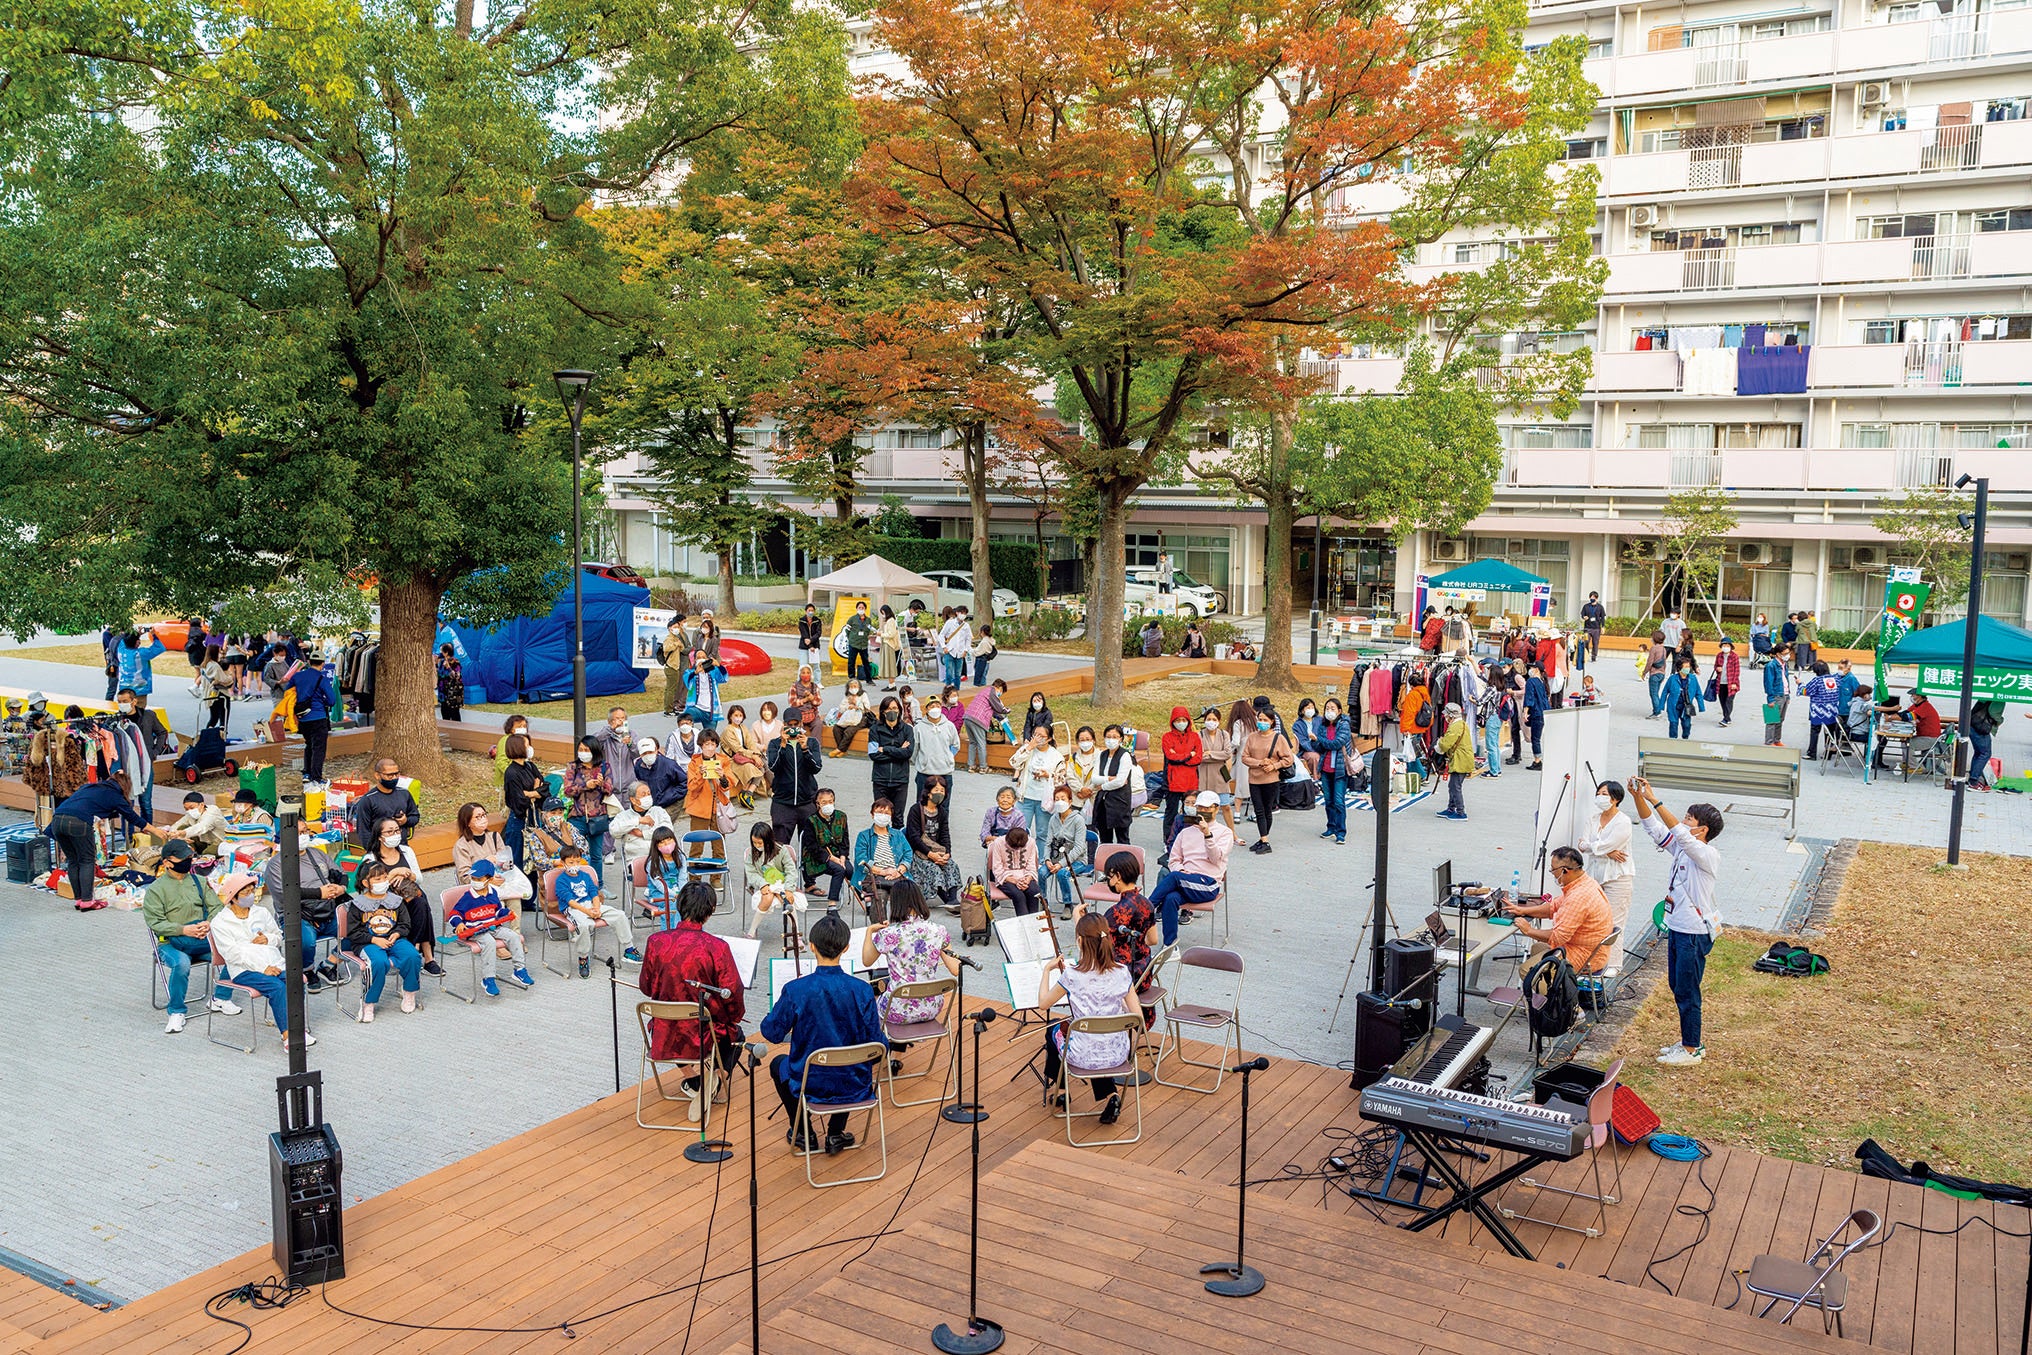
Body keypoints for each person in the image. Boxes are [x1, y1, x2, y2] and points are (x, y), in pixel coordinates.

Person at [761, 912, 884, 1154]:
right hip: (854, 1083)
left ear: (811, 946)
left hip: (810, 1083)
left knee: (779, 1064)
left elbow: (771, 1032)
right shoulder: (862, 990)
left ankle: (803, 1133)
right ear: (846, 947)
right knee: (847, 1054)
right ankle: (836, 1133)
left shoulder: (797, 989)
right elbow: (878, 1048)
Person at [1626, 775, 1722, 1067]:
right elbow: (1654, 828)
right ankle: (1687, 1041)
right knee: (1677, 985)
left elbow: (1677, 833)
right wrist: (1637, 797)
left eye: (1689, 820)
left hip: (1694, 932)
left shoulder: (1705, 853)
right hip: (1678, 928)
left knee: (1688, 991)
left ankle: (1692, 1048)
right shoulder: (1683, 846)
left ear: (1702, 829)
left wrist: (1655, 798)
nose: (1683, 823)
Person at [640, 881, 747, 1121]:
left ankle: (692, 1077)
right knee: (735, 1033)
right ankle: (716, 1081)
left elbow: (646, 988)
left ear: (679, 905)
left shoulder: (656, 941)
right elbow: (732, 993)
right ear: (710, 911)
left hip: (664, 1033)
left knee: (671, 1023)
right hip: (701, 1033)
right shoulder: (716, 947)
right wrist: (733, 1015)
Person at [1037, 912, 1142, 1126]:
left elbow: (1043, 1004)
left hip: (1082, 1056)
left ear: (1079, 941)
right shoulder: (1122, 972)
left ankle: (1062, 1091)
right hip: (1118, 1053)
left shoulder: (1072, 976)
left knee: (1053, 1030)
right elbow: (1138, 1017)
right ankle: (1112, 1096)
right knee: (1095, 1037)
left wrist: (1047, 971)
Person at [143, 841, 240, 1034]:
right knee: (182, 964)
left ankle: (221, 998)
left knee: (234, 953)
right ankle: (177, 1011)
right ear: (167, 862)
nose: (188, 861)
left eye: (189, 857)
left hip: (202, 938)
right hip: (170, 942)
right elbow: (155, 922)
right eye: (183, 859)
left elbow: (217, 909)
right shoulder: (156, 889)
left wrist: (209, 924)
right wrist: (183, 930)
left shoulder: (199, 881)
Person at [210, 872, 315, 1049]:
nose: (250, 895)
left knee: (295, 981)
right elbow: (233, 954)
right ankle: (288, 1035)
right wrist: (262, 967)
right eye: (245, 893)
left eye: (252, 890)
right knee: (277, 987)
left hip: (274, 963)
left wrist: (267, 938)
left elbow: (278, 936)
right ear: (233, 898)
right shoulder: (220, 922)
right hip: (244, 970)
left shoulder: (261, 912)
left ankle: (298, 1028)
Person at [863, 880, 960, 1024]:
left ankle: (890, 1043)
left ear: (895, 903)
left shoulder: (888, 934)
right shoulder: (939, 930)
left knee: (872, 1005)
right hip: (931, 1007)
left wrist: (870, 930)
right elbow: (955, 969)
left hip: (898, 1008)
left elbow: (867, 961)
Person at [1506, 847, 1614, 973]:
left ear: (1565, 871)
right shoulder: (1585, 882)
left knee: (1525, 971)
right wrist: (1523, 911)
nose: (1552, 872)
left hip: (1585, 957)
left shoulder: (1578, 897)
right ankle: (1551, 989)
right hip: (1591, 950)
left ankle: (1559, 990)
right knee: (1537, 948)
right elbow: (1553, 907)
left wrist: (1529, 930)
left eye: (1553, 869)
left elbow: (1558, 938)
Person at [47, 773, 148, 906]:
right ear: (124, 786)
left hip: (57, 820)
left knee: (73, 860)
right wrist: (155, 830)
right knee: (86, 860)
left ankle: (79, 899)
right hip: (78, 822)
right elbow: (132, 817)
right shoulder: (114, 794)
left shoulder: (90, 787)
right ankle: (88, 901)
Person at [360, 813, 442, 976]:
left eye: (397, 830)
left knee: (421, 903)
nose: (395, 835)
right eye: (389, 832)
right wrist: (392, 875)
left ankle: (423, 955)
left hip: (410, 895)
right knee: (420, 905)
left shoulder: (406, 851)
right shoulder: (371, 858)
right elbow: (368, 888)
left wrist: (408, 874)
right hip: (385, 903)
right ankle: (420, 954)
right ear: (379, 836)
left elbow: (419, 878)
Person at [552, 834, 641, 977]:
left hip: (590, 905)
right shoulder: (561, 880)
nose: (575, 865)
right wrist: (588, 912)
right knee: (583, 926)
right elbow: (570, 901)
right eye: (571, 862)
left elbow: (594, 892)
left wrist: (597, 908)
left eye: (577, 861)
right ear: (563, 863)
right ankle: (583, 958)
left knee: (619, 915)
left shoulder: (585, 875)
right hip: (574, 909)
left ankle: (629, 949)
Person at [1149, 791, 1232, 945]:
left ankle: (1143, 909)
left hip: (1208, 884)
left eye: (1207, 808)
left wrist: (1207, 834)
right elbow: (1173, 859)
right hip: (1184, 880)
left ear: (1216, 808)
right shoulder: (1185, 832)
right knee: (1170, 898)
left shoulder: (1225, 833)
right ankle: (1170, 945)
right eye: (1200, 807)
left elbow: (1215, 858)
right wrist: (1182, 872)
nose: (1203, 811)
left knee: (1173, 877)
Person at [347, 861, 425, 1021]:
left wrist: (397, 934)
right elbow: (353, 932)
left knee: (412, 956)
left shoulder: (396, 901)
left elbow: (405, 924)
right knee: (378, 962)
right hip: (368, 943)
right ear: (365, 883)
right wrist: (374, 939)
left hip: (394, 940)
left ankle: (409, 992)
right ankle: (368, 1002)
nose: (383, 882)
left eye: (384, 877)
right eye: (377, 879)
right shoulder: (358, 905)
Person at [446, 861, 534, 996]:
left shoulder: (493, 893)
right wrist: (458, 924)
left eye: (478, 879)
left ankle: (519, 969)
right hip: (476, 930)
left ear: (489, 879)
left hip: (493, 926)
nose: (475, 882)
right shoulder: (468, 897)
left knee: (514, 936)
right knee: (489, 942)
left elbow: (497, 911)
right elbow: (454, 913)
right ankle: (488, 978)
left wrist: (506, 913)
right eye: (473, 879)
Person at [1574, 780, 1636, 967]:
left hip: (1617, 877)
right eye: (1598, 793)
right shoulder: (1593, 819)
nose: (1600, 797)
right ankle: (1591, 960)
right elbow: (1582, 845)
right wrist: (1606, 851)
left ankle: (1613, 964)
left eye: (1604, 794)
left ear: (1615, 799)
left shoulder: (1623, 821)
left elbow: (1605, 844)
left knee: (1615, 921)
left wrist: (1596, 848)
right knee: (1591, 919)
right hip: (1594, 876)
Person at [1093, 853, 1159, 989]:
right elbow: (1153, 940)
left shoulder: (1117, 912)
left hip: (1122, 979)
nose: (1108, 881)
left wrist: (1079, 920)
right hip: (1144, 975)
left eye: (1109, 877)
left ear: (1118, 876)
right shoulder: (1148, 904)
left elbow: (1095, 947)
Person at [453, 802, 534, 906]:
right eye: (477, 817)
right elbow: (464, 876)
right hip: (478, 889)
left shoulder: (495, 837)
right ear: (467, 822)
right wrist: (487, 877)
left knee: (515, 901)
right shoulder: (461, 845)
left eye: (483, 815)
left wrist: (502, 867)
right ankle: (496, 922)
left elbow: (506, 866)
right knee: (497, 903)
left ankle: (514, 922)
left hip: (501, 884)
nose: (482, 819)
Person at [1239, 704, 1294, 854]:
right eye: (1260, 719)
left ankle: (1264, 839)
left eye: (1265, 719)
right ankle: (1264, 839)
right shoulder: (1252, 737)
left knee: (1267, 810)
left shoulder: (1278, 738)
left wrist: (1274, 766)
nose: (1261, 722)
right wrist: (1259, 763)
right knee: (1259, 810)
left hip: (1271, 780)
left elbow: (1288, 759)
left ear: (1271, 722)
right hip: (1254, 779)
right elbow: (1244, 757)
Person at [562, 737, 615, 883]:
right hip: (577, 817)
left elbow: (610, 789)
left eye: (586, 750)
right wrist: (586, 785)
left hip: (597, 818)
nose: (583, 753)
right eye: (581, 749)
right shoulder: (573, 767)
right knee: (575, 853)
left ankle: (598, 885)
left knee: (596, 855)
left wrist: (601, 784)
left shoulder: (604, 767)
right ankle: (575, 882)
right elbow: (567, 790)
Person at [1155, 704, 1204, 851]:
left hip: (1191, 782)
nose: (1181, 722)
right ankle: (1168, 841)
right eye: (1178, 720)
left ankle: (1191, 840)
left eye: (1184, 719)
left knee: (1191, 812)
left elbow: (1199, 758)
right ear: (1172, 721)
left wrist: (1180, 757)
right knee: (1171, 812)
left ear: (1188, 721)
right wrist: (1189, 754)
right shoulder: (1167, 737)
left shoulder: (1195, 737)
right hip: (1173, 783)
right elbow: (1171, 756)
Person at [767, 721, 823, 849]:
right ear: (784, 724)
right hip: (782, 803)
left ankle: (805, 869)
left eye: (795, 724)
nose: (792, 728)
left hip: (807, 802)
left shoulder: (812, 742)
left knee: (809, 846)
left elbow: (816, 768)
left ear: (801, 724)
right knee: (779, 847)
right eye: (789, 724)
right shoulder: (775, 744)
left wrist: (805, 749)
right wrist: (783, 745)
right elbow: (773, 767)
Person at [286, 656, 340, 783]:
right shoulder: (322, 679)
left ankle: (307, 774)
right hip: (318, 717)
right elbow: (332, 700)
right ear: (322, 664)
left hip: (303, 718)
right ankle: (316, 777)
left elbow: (288, 692)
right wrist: (322, 702)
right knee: (319, 748)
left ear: (309, 663)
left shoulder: (297, 676)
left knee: (308, 745)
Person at [852, 797, 914, 906]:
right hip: (873, 875)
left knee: (908, 892)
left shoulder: (898, 834)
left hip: (896, 875)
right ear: (872, 814)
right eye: (880, 812)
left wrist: (898, 871)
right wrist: (883, 872)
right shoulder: (864, 835)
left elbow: (908, 853)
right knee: (879, 895)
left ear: (891, 816)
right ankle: (880, 923)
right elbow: (861, 860)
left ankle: (903, 923)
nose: (883, 815)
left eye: (886, 813)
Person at [746, 822, 804, 937]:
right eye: (754, 843)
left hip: (782, 883)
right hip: (764, 883)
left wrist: (789, 888)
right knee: (767, 898)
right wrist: (762, 884)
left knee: (787, 898)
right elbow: (751, 873)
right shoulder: (752, 854)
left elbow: (791, 870)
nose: (757, 845)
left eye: (760, 843)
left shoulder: (781, 850)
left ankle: (795, 935)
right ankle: (751, 932)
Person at [1010, 725, 1064, 846]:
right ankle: (1020, 857)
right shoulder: (1027, 749)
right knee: (1020, 830)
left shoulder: (1056, 756)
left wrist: (1048, 775)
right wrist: (1029, 748)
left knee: (1043, 833)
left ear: (1049, 738)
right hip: (1025, 798)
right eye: (1036, 735)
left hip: (1044, 801)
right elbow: (1014, 763)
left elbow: (1061, 779)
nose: (1038, 738)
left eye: (1042, 736)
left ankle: (1041, 860)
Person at [683, 728, 733, 856]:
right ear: (701, 746)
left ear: (716, 745)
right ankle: (694, 876)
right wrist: (700, 774)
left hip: (718, 808)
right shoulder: (694, 763)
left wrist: (722, 777)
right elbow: (692, 787)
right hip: (699, 808)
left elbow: (728, 785)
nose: (710, 748)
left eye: (713, 744)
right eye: (706, 744)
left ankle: (716, 876)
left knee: (719, 847)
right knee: (696, 847)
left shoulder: (723, 760)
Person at [1310, 698, 1353, 844]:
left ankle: (1341, 832)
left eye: (1332, 708)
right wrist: (1315, 741)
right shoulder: (1322, 726)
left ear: (1339, 711)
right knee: (1329, 801)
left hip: (1340, 769)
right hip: (1326, 768)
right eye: (1327, 708)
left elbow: (1336, 743)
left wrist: (1320, 740)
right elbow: (1319, 748)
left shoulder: (1344, 725)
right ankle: (1331, 827)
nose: (1329, 711)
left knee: (1339, 801)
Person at [351, 757, 420, 849]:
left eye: (397, 774)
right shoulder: (368, 800)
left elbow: (415, 816)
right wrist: (373, 852)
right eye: (389, 775)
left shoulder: (404, 794)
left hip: (402, 846)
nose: (394, 778)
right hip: (379, 850)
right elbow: (363, 831)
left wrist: (405, 821)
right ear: (377, 775)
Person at [500, 734, 544, 871]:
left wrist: (531, 792)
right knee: (518, 861)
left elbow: (545, 787)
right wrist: (536, 792)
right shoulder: (511, 772)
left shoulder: (530, 766)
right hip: (519, 821)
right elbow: (518, 800)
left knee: (534, 861)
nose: (530, 748)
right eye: (526, 745)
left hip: (534, 817)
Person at [1042, 787, 1088, 916]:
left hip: (1077, 860)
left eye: (1063, 799)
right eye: (1056, 799)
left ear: (1070, 801)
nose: (1059, 802)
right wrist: (1047, 860)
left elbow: (1079, 847)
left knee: (1062, 873)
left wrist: (1061, 864)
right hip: (1055, 857)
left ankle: (1068, 904)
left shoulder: (1078, 820)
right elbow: (1048, 843)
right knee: (1041, 872)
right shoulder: (1053, 819)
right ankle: (1043, 902)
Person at [801, 787, 851, 904]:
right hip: (817, 858)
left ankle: (864, 896)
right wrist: (832, 858)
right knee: (839, 870)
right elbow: (811, 845)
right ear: (818, 803)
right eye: (824, 802)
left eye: (830, 801)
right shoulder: (811, 821)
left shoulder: (841, 817)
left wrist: (843, 857)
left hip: (838, 855)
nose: (828, 805)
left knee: (849, 870)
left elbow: (845, 839)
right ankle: (832, 903)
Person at [612, 781, 674, 876]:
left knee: (672, 865)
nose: (648, 797)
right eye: (643, 794)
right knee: (653, 870)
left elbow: (668, 831)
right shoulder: (623, 816)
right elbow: (614, 831)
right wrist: (638, 821)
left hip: (661, 856)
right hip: (637, 860)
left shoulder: (659, 812)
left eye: (649, 794)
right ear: (633, 800)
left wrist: (643, 834)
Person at [1874, 689, 1943, 772]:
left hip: (1931, 738)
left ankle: (1914, 767)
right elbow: (1904, 713)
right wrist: (1892, 715)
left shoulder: (1925, 707)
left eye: (1913, 695)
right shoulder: (1917, 705)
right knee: (1904, 741)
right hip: (1924, 735)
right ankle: (1906, 762)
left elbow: (1908, 717)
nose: (1911, 697)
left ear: (1919, 696)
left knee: (1909, 744)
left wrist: (1889, 718)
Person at [1196, 707, 1238, 836]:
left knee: (1225, 805)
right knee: (1203, 807)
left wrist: (1210, 754)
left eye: (1214, 719)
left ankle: (1232, 833)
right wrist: (1215, 756)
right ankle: (1203, 832)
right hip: (1204, 774)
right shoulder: (1199, 734)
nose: (1211, 722)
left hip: (1220, 775)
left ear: (1219, 721)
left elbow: (1227, 753)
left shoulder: (1224, 734)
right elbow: (1200, 756)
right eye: (1208, 719)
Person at [867, 695, 915, 810]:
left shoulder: (907, 729)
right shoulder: (875, 729)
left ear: (899, 710)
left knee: (898, 818)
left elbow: (908, 753)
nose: (892, 711)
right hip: (880, 780)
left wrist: (885, 749)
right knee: (881, 814)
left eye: (894, 708)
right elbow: (873, 754)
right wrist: (899, 751)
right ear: (883, 712)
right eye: (888, 709)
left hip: (900, 780)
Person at [1092, 724, 1137, 845]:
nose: (1111, 740)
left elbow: (1120, 781)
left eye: (1115, 737)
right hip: (1103, 802)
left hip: (1119, 803)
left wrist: (1103, 786)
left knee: (1122, 838)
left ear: (1121, 739)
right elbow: (1094, 778)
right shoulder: (1102, 755)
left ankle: (1124, 863)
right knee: (1105, 839)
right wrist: (1108, 778)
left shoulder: (1125, 755)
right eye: (1108, 737)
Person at [911, 696, 958, 806]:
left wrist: (948, 757)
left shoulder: (949, 726)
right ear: (926, 709)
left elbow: (955, 745)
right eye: (932, 706)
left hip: (945, 772)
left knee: (944, 806)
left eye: (938, 706)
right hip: (925, 772)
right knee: (922, 804)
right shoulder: (919, 728)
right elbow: (915, 749)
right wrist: (922, 761)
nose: (935, 708)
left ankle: (942, 824)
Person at [987, 823, 1042, 916]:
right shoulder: (999, 843)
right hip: (1005, 877)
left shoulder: (1031, 842)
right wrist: (1015, 881)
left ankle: (1033, 924)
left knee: (1034, 891)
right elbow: (997, 868)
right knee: (1018, 895)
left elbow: (1032, 865)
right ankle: (1024, 925)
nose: (1017, 850)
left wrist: (1027, 879)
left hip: (1025, 876)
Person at [962, 678, 1012, 773]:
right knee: (981, 743)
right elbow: (999, 707)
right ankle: (983, 767)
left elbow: (992, 710)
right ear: (999, 687)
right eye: (1001, 691)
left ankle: (971, 766)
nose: (1000, 694)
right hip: (977, 719)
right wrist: (1007, 710)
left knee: (973, 742)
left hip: (968, 717)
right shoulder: (992, 691)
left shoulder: (984, 691)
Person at [1434, 702, 1475, 820]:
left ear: (1451, 716)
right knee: (1453, 785)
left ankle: (1460, 812)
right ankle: (1451, 808)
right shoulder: (1461, 724)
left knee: (1455, 786)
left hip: (1460, 760)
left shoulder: (1455, 727)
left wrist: (1439, 743)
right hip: (1462, 759)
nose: (1445, 718)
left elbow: (1446, 744)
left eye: (1446, 715)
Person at [641, 827, 688, 928]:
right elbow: (659, 885)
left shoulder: (681, 857)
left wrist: (682, 893)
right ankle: (670, 934)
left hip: (677, 890)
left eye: (669, 839)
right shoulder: (653, 862)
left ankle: (691, 934)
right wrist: (675, 895)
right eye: (662, 842)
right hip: (658, 893)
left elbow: (682, 878)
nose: (666, 844)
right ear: (656, 845)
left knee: (691, 901)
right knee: (672, 903)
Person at [630, 736, 687, 817]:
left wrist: (669, 797)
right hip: (651, 804)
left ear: (656, 750)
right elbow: (641, 783)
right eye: (644, 753)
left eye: (650, 752)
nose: (647, 755)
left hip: (671, 803)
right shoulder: (638, 766)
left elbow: (684, 782)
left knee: (663, 826)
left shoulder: (669, 765)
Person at [1803, 663, 1843, 760]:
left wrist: (1800, 684)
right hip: (1832, 710)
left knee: (1815, 731)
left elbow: (1806, 691)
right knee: (1829, 732)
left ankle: (1812, 753)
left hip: (1818, 711)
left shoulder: (1817, 680)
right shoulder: (1836, 679)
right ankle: (1828, 753)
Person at [115, 626, 167, 698]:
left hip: (124, 687)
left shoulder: (121, 650)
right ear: (137, 642)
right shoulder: (141, 654)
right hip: (140, 689)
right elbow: (160, 648)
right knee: (139, 708)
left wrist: (136, 635)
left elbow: (125, 641)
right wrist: (154, 635)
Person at [1661, 656, 1705, 740]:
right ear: (1679, 668)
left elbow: (1698, 693)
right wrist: (1661, 705)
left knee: (1686, 725)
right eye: (1685, 667)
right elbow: (1665, 692)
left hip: (1686, 706)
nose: (1688, 669)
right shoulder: (1672, 678)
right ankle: (1673, 740)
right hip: (1673, 705)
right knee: (1673, 724)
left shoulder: (1693, 678)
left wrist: (1701, 706)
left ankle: (1685, 738)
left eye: (1688, 666)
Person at [682, 650, 725, 733]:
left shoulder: (714, 671)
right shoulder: (691, 672)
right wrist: (695, 672)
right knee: (686, 719)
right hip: (696, 708)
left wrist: (719, 666)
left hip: (711, 711)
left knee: (710, 736)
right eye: (698, 657)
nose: (701, 659)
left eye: (703, 657)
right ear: (694, 660)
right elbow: (687, 680)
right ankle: (691, 738)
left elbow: (723, 679)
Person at [828, 679, 871, 759]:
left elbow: (867, 708)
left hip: (861, 718)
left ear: (859, 687)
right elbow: (841, 708)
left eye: (855, 686)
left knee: (849, 731)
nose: (853, 688)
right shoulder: (847, 696)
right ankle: (842, 750)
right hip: (847, 718)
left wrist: (856, 704)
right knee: (836, 729)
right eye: (851, 686)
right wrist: (848, 706)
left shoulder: (863, 695)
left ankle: (839, 749)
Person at [1762, 643, 1794, 746]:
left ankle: (1777, 739)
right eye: (1785, 653)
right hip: (1776, 695)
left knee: (1780, 719)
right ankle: (1769, 741)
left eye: (1788, 653)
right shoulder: (1770, 665)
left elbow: (1786, 679)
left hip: (1784, 694)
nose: (1787, 655)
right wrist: (1770, 699)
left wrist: (1788, 695)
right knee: (1772, 720)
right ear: (1778, 654)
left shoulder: (1784, 664)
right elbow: (1768, 683)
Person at [1967, 699, 2002, 790]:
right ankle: (1974, 781)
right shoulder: (1999, 696)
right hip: (1981, 727)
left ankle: (1973, 777)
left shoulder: (1988, 691)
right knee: (1985, 753)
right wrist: (2000, 720)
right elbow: (1994, 712)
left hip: (1972, 724)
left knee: (1978, 753)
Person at [659, 616, 690, 716]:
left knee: (672, 688)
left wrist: (680, 645)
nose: (677, 628)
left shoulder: (676, 638)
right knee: (670, 689)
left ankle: (671, 708)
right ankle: (668, 710)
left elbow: (682, 648)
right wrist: (676, 644)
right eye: (674, 627)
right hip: (670, 667)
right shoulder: (669, 639)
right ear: (670, 628)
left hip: (676, 666)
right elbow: (666, 649)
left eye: (677, 627)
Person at [786, 664, 824, 738]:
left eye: (808, 673)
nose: (806, 675)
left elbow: (819, 702)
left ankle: (815, 745)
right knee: (797, 727)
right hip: (798, 715)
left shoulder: (814, 686)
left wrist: (812, 698)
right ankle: (801, 746)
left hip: (812, 714)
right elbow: (792, 702)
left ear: (811, 674)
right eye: (803, 673)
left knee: (818, 724)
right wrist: (805, 700)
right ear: (799, 674)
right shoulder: (794, 686)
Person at [939, 607, 973, 689]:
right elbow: (941, 635)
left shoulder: (966, 626)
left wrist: (966, 650)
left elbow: (968, 639)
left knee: (958, 674)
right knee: (949, 673)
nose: (963, 615)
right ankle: (948, 689)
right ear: (957, 613)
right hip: (950, 651)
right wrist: (944, 647)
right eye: (962, 613)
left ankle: (957, 689)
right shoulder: (950, 623)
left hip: (960, 653)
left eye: (965, 613)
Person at [843, 600, 874, 682]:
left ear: (865, 609)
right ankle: (852, 678)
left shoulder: (868, 620)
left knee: (866, 662)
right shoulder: (852, 619)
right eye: (859, 607)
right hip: (853, 643)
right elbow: (847, 630)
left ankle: (869, 679)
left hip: (863, 644)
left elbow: (869, 629)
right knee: (851, 662)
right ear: (856, 608)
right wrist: (851, 638)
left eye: (862, 608)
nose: (861, 609)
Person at [1644, 630, 1670, 719]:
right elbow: (1664, 662)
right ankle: (1657, 710)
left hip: (1654, 674)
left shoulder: (1654, 648)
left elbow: (1649, 662)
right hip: (1661, 673)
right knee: (1656, 693)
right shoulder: (1663, 649)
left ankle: (1657, 712)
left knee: (1653, 693)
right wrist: (1663, 673)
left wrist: (1644, 672)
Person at [435, 643, 464, 721]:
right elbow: (440, 674)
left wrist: (449, 668)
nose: (440, 653)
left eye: (442, 651)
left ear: (446, 652)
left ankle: (457, 731)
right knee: (444, 713)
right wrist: (436, 664)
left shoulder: (455, 662)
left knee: (454, 714)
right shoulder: (442, 662)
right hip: (443, 692)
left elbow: (457, 676)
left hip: (452, 693)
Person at [877, 604, 902, 685]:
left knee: (890, 665)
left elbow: (891, 634)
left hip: (889, 644)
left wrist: (881, 634)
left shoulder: (890, 621)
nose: (883, 615)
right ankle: (891, 684)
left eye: (883, 613)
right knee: (888, 665)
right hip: (887, 644)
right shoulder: (890, 620)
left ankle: (892, 685)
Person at [797, 603, 825, 676]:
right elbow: (804, 634)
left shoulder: (817, 621)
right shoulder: (802, 621)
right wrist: (810, 646)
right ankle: (800, 683)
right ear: (806, 611)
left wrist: (811, 642)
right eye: (809, 610)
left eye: (812, 610)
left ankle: (817, 682)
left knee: (816, 665)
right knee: (803, 666)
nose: (811, 612)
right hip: (804, 645)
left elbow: (818, 633)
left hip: (815, 645)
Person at [1580, 592, 1606, 660]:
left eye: (1594, 598)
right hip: (1587, 627)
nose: (1592, 599)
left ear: (1597, 598)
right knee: (1586, 641)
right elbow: (1582, 614)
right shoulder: (1586, 606)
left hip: (1596, 628)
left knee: (1595, 643)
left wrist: (1603, 627)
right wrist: (1584, 617)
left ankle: (1594, 656)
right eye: (1591, 597)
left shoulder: (1600, 607)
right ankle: (1586, 654)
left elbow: (1603, 618)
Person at [970, 623, 998, 687]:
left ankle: (982, 692)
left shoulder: (984, 641)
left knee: (980, 678)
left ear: (982, 631)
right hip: (986, 661)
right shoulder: (990, 639)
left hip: (982, 660)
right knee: (983, 676)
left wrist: (970, 650)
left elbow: (978, 652)